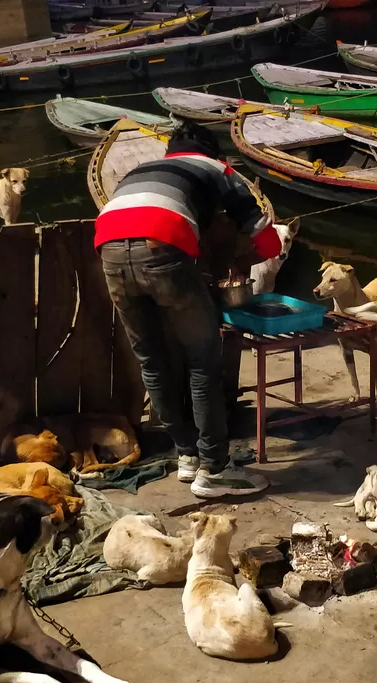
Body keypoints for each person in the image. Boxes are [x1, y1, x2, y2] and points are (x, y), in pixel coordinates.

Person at [95, 120, 281, 498]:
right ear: (213, 153)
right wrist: (244, 259)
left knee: (152, 359)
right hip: (163, 247)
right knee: (203, 358)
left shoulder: (139, 171)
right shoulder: (218, 169)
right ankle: (214, 468)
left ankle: (187, 455)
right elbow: (269, 240)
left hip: (108, 249)